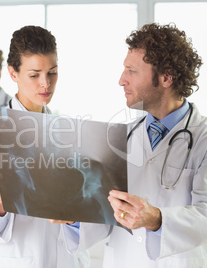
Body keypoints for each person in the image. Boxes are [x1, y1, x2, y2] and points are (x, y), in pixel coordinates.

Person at [60, 22, 207, 267]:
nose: (121, 80)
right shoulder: (120, 137)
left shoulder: (202, 138)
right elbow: (104, 214)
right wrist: (72, 218)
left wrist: (157, 219)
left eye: (132, 71)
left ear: (166, 77)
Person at [0, 25, 90, 268]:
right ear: (13, 73)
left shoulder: (69, 135)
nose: (46, 84)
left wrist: (76, 218)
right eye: (34, 75)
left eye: (52, 72)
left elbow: (84, 211)